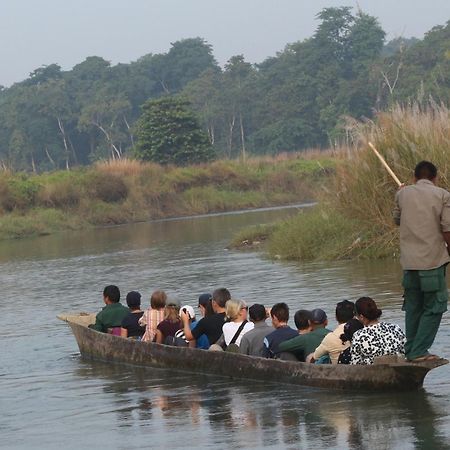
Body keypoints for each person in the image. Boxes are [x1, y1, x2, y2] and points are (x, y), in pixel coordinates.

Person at [393, 161, 450, 362]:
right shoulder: (442, 195)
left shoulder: (402, 194)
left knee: (413, 306)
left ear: (414, 178)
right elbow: (447, 229)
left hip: (409, 264)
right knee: (435, 306)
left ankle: (412, 350)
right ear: (434, 178)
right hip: (432, 262)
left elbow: (398, 220)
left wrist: (402, 194)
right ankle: (418, 351)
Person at [350, 297, 406, 365]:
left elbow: (356, 364)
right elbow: (405, 352)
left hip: (373, 373)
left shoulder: (359, 336)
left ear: (361, 317)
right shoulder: (395, 328)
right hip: (397, 371)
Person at [313, 300, 355, 364]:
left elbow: (316, 356)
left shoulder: (330, 337)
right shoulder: (363, 332)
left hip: (339, 371)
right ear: (354, 316)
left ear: (336, 317)